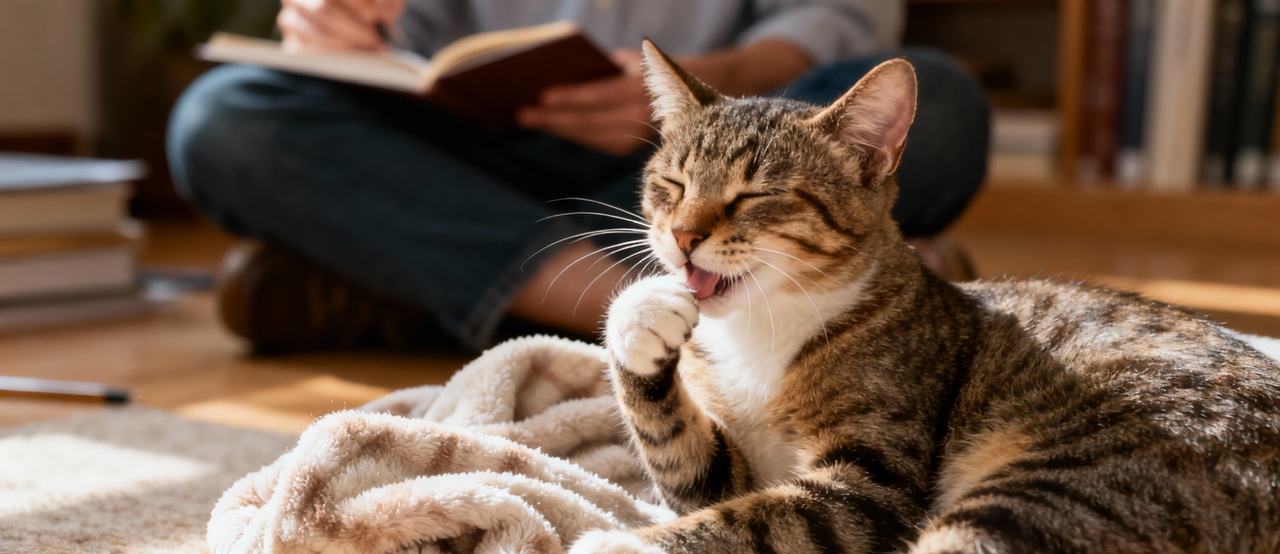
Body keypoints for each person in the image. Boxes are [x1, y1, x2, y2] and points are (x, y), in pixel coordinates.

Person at [168, 0, 989, 353]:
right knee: (223, 118)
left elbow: (838, 19)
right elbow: (401, 39)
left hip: (709, 149)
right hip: (485, 154)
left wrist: (693, 92)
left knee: (944, 103)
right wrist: (331, 29)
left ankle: (421, 285)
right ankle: (798, 303)